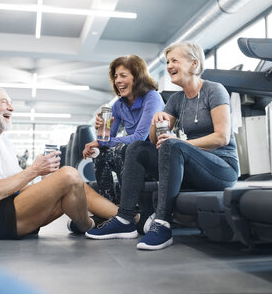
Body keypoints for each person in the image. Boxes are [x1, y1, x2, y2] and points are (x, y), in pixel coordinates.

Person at [86, 42, 239, 250]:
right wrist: (156, 123)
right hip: (192, 168)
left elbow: (221, 138)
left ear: (194, 64)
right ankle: (124, 219)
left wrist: (179, 143)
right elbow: (153, 141)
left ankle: (162, 224)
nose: (169, 66)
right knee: (137, 148)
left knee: (173, 145)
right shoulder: (176, 99)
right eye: (167, 61)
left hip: (221, 167)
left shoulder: (214, 90)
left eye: (174, 60)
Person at [0, 87, 118, 240]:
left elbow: (13, 188)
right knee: (69, 174)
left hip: (11, 210)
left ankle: (130, 219)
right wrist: (34, 170)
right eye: (4, 102)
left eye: (11, 103)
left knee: (76, 185)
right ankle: (91, 225)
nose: (11, 108)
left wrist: (44, 180)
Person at [82, 55, 165, 204]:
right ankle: (109, 206)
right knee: (101, 153)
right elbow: (106, 140)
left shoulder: (152, 97)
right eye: (115, 77)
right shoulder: (118, 105)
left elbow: (139, 137)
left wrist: (102, 142)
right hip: (134, 155)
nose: (118, 80)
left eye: (123, 75)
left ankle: (129, 206)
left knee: (122, 149)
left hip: (155, 156)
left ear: (137, 78)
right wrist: (100, 131)